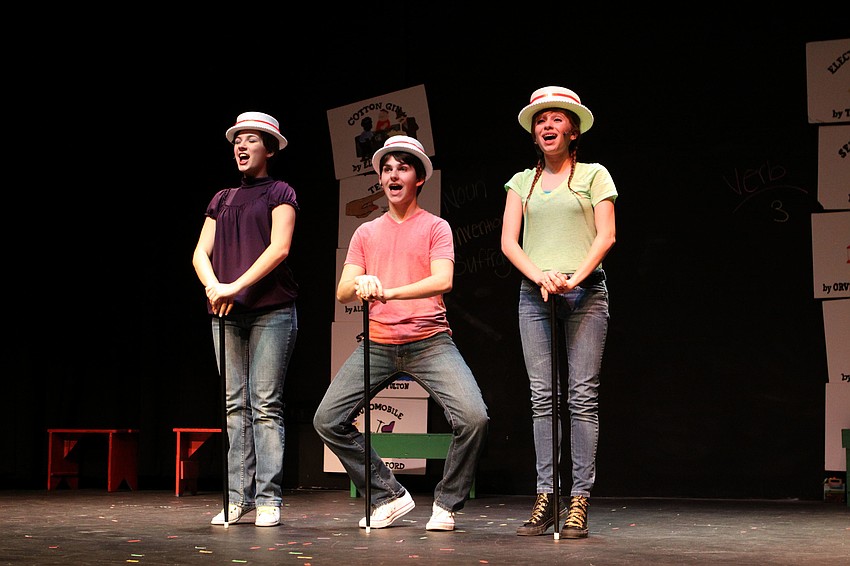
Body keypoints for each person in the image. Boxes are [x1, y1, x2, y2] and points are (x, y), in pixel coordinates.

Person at [314, 135, 489, 532]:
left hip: (429, 341)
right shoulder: (366, 233)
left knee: (473, 418)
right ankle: (388, 495)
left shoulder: (436, 227)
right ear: (380, 179)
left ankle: (446, 505)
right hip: (378, 343)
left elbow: (442, 280)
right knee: (327, 420)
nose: (393, 175)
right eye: (387, 169)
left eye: (403, 168)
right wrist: (361, 283)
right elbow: (343, 291)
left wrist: (388, 291)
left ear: (418, 178)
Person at [501, 86, 617, 538]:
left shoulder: (594, 175)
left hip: (586, 292)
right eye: (540, 120)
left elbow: (606, 236)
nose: (547, 125)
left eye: (556, 118)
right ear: (534, 134)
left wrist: (574, 278)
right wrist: (542, 276)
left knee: (581, 397)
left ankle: (579, 499)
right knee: (542, 398)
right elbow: (509, 242)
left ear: (573, 131)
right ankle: (547, 495)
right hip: (536, 295)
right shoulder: (521, 182)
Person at [192, 111, 300, 528]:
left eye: (251, 139)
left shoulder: (280, 192)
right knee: (235, 405)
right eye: (238, 139)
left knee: (265, 405)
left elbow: (279, 249)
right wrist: (214, 287)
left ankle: (269, 499)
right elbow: (200, 253)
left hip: (271, 310)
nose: (241, 145)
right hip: (225, 312)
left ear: (269, 149)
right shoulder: (221, 199)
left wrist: (232, 285)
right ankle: (238, 497)